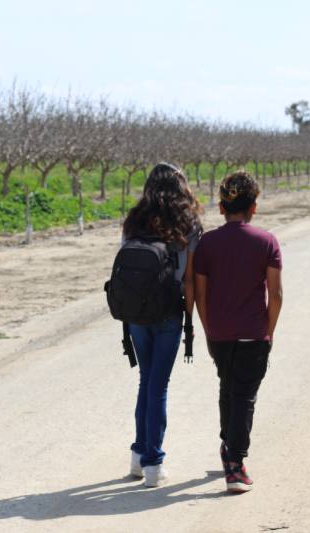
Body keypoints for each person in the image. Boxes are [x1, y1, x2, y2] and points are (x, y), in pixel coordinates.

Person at [193, 170, 283, 493]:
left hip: (219, 333)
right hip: (252, 333)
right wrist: (267, 331)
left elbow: (200, 294)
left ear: (221, 208)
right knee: (244, 395)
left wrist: (208, 329)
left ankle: (226, 447)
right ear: (254, 207)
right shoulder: (267, 242)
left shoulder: (207, 244)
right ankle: (235, 464)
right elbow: (277, 294)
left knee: (228, 387)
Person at [122, 162, 202, 488]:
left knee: (146, 381)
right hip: (169, 312)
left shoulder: (134, 220)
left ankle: (139, 455)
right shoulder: (189, 224)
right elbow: (191, 279)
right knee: (159, 386)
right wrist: (191, 320)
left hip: (136, 312)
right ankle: (153, 462)